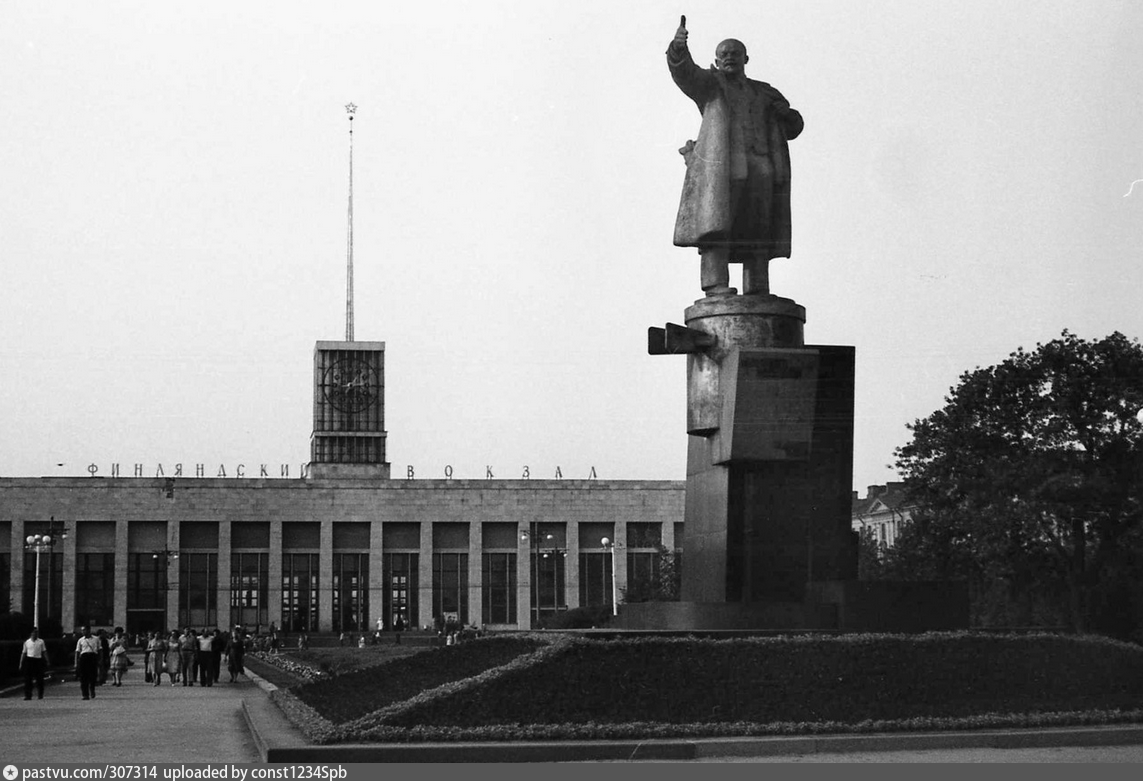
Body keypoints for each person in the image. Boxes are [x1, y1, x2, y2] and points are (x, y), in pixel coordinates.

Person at [667, 16, 804, 296]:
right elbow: (685, 73)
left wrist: (787, 116)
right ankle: (715, 284)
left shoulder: (764, 92)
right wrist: (678, 49)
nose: (729, 57)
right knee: (717, 224)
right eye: (723, 54)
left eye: (735, 53)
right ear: (716, 61)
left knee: (759, 226)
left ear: (746, 58)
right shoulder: (711, 85)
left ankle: (757, 286)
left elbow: (793, 125)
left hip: (761, 165)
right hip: (724, 168)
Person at [20, 627, 50, 700]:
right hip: (29, 660)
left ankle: (40, 694)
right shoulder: (27, 642)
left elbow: (44, 651)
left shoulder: (41, 642)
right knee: (28, 679)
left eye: (36, 632)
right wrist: (21, 663)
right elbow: (23, 653)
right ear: (31, 633)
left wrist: (47, 660)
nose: (35, 634)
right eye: (34, 632)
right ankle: (28, 695)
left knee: (39, 678)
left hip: (38, 660)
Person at [74, 625, 101, 700]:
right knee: (83, 677)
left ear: (89, 630)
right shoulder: (80, 640)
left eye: (84, 630)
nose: (83, 632)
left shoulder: (96, 639)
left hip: (92, 657)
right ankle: (85, 694)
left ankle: (92, 689)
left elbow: (99, 650)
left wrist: (100, 660)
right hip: (84, 658)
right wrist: (76, 663)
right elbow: (77, 652)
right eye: (82, 630)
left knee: (93, 676)